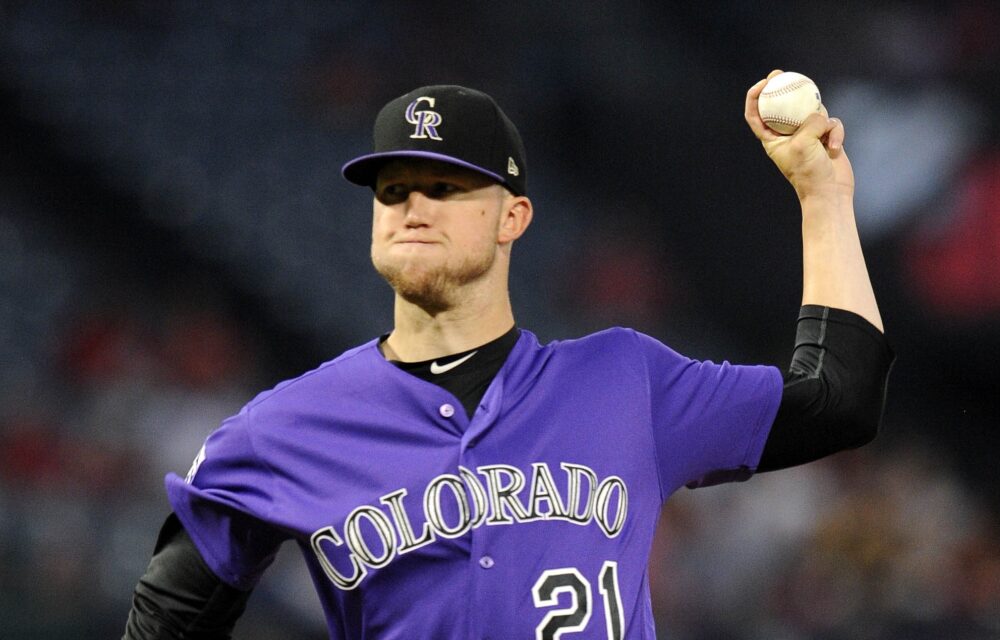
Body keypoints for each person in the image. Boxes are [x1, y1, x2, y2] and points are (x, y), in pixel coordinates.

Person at [123, 74, 894, 639]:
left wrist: (822, 198)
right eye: (392, 192)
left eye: (445, 186)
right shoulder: (282, 430)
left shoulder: (624, 379)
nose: (412, 208)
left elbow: (838, 397)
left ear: (512, 217)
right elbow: (164, 623)